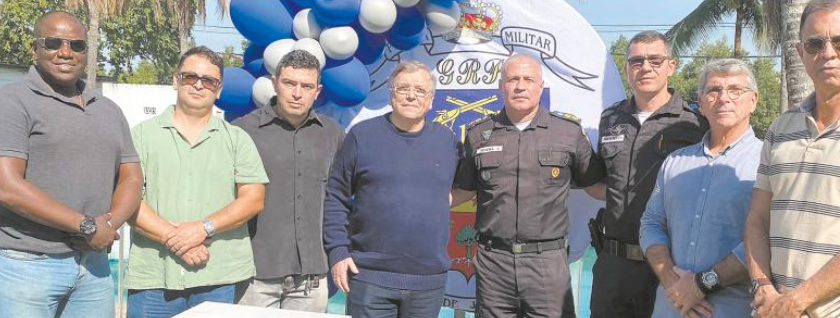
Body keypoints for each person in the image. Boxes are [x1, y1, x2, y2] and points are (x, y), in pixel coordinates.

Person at [744, 1, 840, 317]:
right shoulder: (780, 127)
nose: (827, 52)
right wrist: (763, 287)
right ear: (801, 53)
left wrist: (796, 301)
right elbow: (757, 220)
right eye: (815, 44)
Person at [0, 11, 143, 318]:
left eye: (76, 45)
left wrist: (109, 225)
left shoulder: (107, 109)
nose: (65, 52)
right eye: (53, 42)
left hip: (94, 267)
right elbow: (6, 186)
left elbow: (131, 178)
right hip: (26, 265)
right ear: (34, 49)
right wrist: (86, 225)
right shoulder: (11, 101)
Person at [452, 54, 603, 317]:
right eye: (512, 79)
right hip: (493, 263)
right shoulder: (478, 134)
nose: (520, 86)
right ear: (501, 87)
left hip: (547, 262)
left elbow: (596, 186)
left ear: (540, 86)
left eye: (528, 79)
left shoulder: (568, 132)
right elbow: (463, 190)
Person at [125, 46, 269, 318]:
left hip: (217, 277)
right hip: (154, 278)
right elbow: (127, 199)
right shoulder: (141, 136)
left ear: (219, 89)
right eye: (190, 77)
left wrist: (203, 228)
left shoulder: (238, 140)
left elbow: (253, 199)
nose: (198, 85)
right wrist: (176, 238)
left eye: (209, 80)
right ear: (175, 80)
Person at [323, 60, 458, 318]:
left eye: (420, 90)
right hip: (369, 277)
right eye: (403, 88)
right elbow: (335, 197)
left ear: (430, 99)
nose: (411, 95)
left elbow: (459, 189)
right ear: (391, 93)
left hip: (427, 283)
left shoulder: (447, 141)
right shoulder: (361, 136)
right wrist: (338, 251)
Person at [590, 30, 708, 318]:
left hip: (670, 268)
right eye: (636, 61)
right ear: (626, 68)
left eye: (655, 60)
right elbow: (598, 183)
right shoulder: (610, 119)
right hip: (613, 266)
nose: (645, 68)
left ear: (671, 66)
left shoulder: (695, 123)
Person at [640, 58, 763, 318]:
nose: (724, 98)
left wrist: (701, 283)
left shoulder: (768, 163)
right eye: (713, 90)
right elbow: (650, 223)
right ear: (701, 101)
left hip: (733, 309)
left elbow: (768, 234)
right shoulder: (675, 161)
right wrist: (672, 280)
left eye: (735, 90)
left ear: (753, 100)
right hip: (671, 307)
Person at [233, 50, 344, 311]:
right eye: (289, 83)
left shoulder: (334, 135)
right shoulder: (242, 131)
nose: (297, 93)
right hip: (254, 276)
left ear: (317, 91)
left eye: (306, 86)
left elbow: (343, 200)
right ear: (274, 84)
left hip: (311, 279)